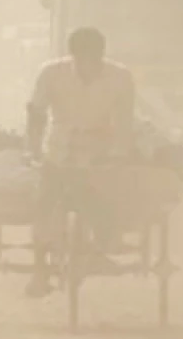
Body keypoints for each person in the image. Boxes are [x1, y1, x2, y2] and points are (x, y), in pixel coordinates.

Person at [25, 27, 136, 297]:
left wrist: (120, 153)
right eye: (83, 58)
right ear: (72, 55)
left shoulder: (120, 77)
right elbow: (36, 112)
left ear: (102, 55)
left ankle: (100, 248)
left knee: (105, 200)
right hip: (58, 149)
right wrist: (33, 149)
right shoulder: (51, 73)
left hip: (99, 152)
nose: (89, 65)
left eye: (94, 58)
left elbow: (124, 119)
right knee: (44, 204)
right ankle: (39, 269)